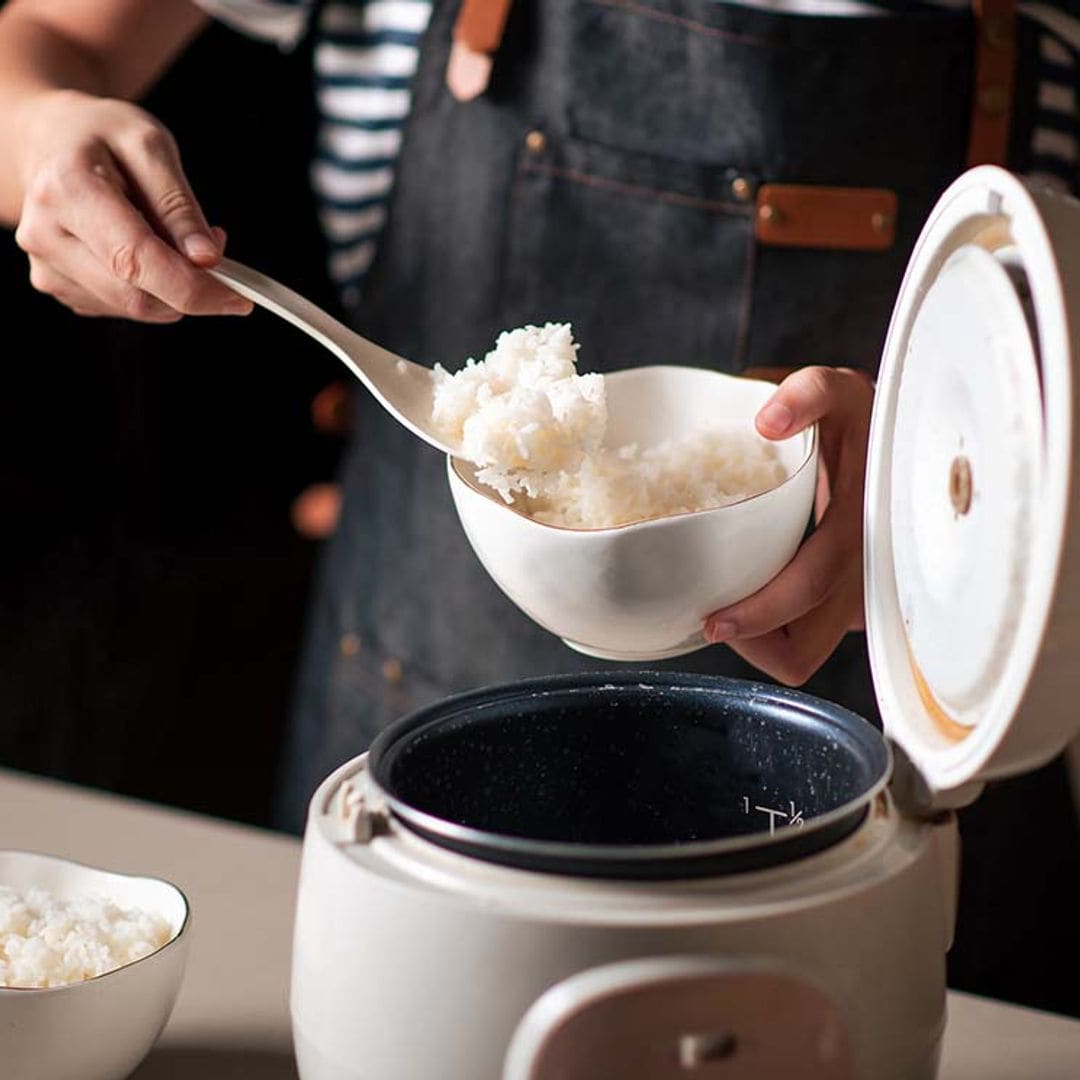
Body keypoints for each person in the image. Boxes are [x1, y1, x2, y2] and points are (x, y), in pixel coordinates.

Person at [0, 0, 1076, 836]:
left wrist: (956, 439)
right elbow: (39, 42)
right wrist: (53, 133)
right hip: (418, 704)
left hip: (916, 698)